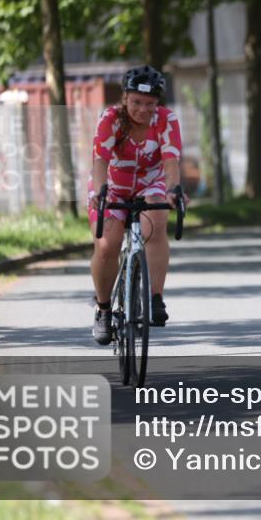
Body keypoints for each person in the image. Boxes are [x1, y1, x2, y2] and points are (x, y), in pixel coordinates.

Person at [87, 65, 188, 345]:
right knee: (106, 245)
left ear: (158, 103)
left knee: (155, 221)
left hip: (150, 184)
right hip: (112, 185)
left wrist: (173, 190)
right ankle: (103, 310)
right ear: (125, 98)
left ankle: (155, 298)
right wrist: (100, 192)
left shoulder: (166, 120)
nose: (143, 109)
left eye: (150, 104)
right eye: (136, 102)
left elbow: (171, 161)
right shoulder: (110, 119)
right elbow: (100, 160)